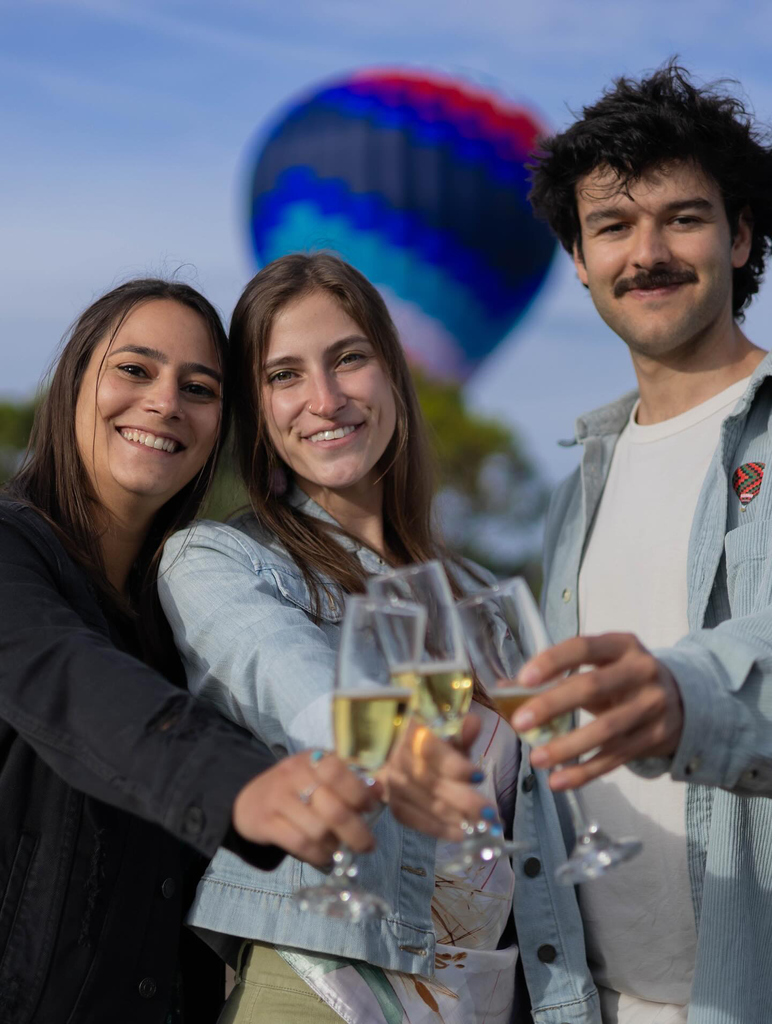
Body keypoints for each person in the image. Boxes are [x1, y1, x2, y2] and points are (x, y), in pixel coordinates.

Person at [0, 278, 381, 1024]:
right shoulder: (10, 549)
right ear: (74, 382)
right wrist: (242, 787)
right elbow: (66, 676)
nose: (165, 403)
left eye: (199, 388)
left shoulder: (177, 616)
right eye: (134, 370)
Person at [158, 253, 522, 1024]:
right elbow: (284, 673)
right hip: (323, 983)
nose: (324, 399)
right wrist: (385, 745)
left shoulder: (483, 595)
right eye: (284, 375)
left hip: (477, 1000)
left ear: (393, 371)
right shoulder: (218, 559)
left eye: (349, 358)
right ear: (257, 409)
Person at [508, 62, 772, 1024]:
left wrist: (681, 695)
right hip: (595, 998)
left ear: (739, 236)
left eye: (683, 218)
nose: (647, 253)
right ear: (579, 259)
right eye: (613, 225)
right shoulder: (576, 486)